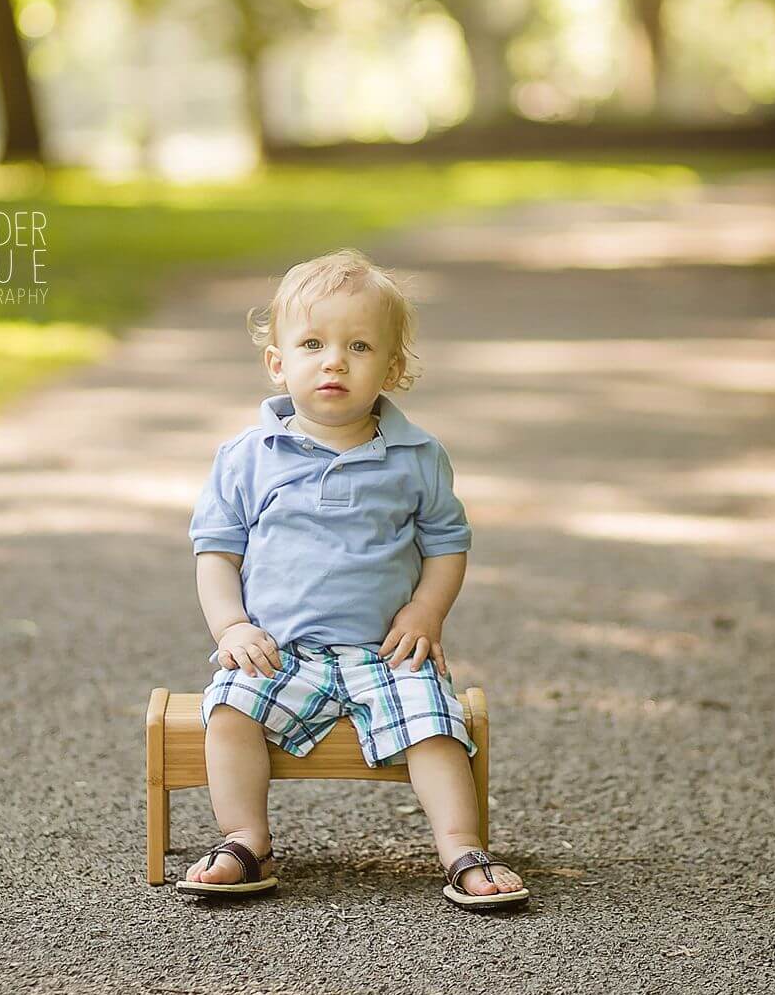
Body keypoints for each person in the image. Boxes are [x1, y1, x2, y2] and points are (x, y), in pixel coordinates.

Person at [176, 248, 528, 911]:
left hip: (384, 653)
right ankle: (247, 839)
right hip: (282, 650)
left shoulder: (417, 456)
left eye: (358, 345)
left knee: (435, 723)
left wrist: (427, 610)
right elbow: (216, 553)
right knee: (227, 708)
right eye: (312, 342)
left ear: (391, 369)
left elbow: (448, 542)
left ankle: (461, 847)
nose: (333, 360)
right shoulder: (247, 457)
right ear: (279, 362)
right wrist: (232, 625)